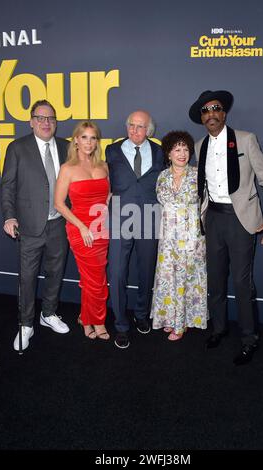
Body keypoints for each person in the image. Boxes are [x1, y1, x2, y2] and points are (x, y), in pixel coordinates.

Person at [189, 90, 263, 365]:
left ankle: (249, 339)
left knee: (241, 283)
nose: (211, 114)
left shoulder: (246, 139)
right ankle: (218, 328)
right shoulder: (198, 146)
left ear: (224, 112)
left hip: (241, 220)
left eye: (215, 108)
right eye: (205, 111)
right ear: (202, 118)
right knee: (215, 281)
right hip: (213, 218)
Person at [0, 99, 70, 351]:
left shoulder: (66, 147)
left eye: (50, 118)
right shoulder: (18, 148)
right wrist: (9, 216)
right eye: (40, 118)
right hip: (29, 226)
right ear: (31, 122)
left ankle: (48, 313)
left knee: (56, 272)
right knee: (27, 277)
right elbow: (7, 185)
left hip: (59, 224)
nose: (46, 122)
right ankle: (26, 323)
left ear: (56, 122)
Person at [106, 110, 164, 349]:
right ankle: (120, 324)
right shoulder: (112, 150)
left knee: (146, 271)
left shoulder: (161, 152)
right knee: (117, 272)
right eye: (131, 125)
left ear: (149, 129)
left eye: (140, 126)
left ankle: (141, 314)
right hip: (120, 216)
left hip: (150, 217)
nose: (134, 130)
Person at [54, 121, 110, 340]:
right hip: (80, 229)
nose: (89, 142)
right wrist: (82, 226)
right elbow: (59, 203)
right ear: (76, 140)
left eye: (93, 137)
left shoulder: (103, 166)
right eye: (84, 137)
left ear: (97, 141)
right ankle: (97, 321)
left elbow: (108, 195)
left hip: (101, 229)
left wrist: (104, 219)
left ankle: (85, 317)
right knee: (95, 279)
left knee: (93, 278)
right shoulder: (68, 168)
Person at [150, 131, 208, 340]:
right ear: (168, 153)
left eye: (185, 149)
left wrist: (198, 234)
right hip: (168, 238)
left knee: (186, 278)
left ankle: (181, 324)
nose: (182, 154)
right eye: (177, 149)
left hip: (191, 236)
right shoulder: (162, 176)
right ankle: (170, 318)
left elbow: (205, 206)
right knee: (168, 278)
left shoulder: (197, 174)